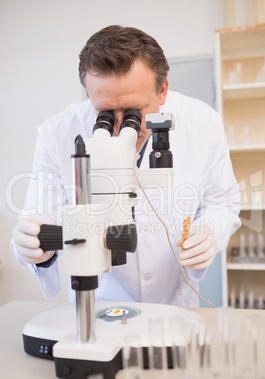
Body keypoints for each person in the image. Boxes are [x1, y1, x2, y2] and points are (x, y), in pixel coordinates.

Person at [11, 25, 241, 306]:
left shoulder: (203, 121)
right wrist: (33, 247)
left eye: (134, 111)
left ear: (162, 90)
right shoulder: (56, 132)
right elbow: (37, 219)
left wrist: (209, 232)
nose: (120, 127)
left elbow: (222, 201)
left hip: (174, 303)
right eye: (105, 113)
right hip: (97, 303)